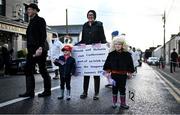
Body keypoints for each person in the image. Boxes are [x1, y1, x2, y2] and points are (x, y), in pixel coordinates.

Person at [19, 3, 51, 98]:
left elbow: (43, 35)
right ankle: (30, 92)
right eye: (27, 9)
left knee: (42, 69)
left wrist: (40, 48)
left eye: (30, 9)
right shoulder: (31, 22)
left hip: (39, 49)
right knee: (28, 69)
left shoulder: (40, 20)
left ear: (35, 10)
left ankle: (47, 91)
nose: (28, 11)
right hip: (31, 50)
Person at [77, 10, 107, 100]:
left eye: (92, 15)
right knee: (86, 73)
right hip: (87, 52)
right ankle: (84, 92)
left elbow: (103, 38)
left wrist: (105, 46)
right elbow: (83, 39)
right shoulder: (85, 25)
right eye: (89, 15)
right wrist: (76, 45)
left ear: (94, 16)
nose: (90, 16)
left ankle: (96, 93)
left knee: (96, 73)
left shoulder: (99, 24)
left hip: (96, 51)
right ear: (87, 16)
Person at [103, 36, 135, 109]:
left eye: (119, 44)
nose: (117, 45)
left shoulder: (127, 54)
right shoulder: (111, 54)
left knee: (122, 89)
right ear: (114, 45)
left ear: (123, 45)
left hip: (123, 75)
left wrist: (130, 72)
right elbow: (107, 63)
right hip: (114, 75)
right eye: (116, 44)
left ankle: (123, 103)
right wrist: (107, 72)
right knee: (114, 88)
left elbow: (130, 64)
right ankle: (114, 103)